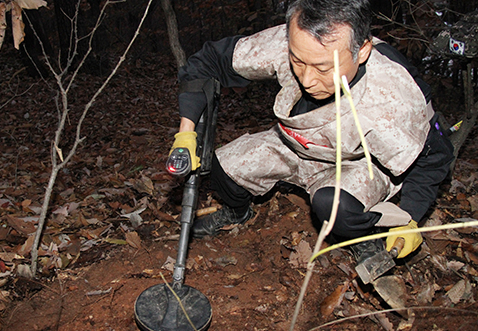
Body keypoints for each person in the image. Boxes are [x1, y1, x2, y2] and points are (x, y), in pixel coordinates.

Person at [169, 0, 454, 266]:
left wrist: (411, 217)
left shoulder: (395, 96)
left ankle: (361, 240)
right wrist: (186, 131)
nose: (306, 79)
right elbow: (207, 62)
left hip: (357, 164)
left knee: (334, 207)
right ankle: (238, 212)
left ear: (362, 51)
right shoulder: (298, 39)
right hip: (295, 144)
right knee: (221, 166)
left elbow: (434, 155)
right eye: (298, 61)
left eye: (323, 67)